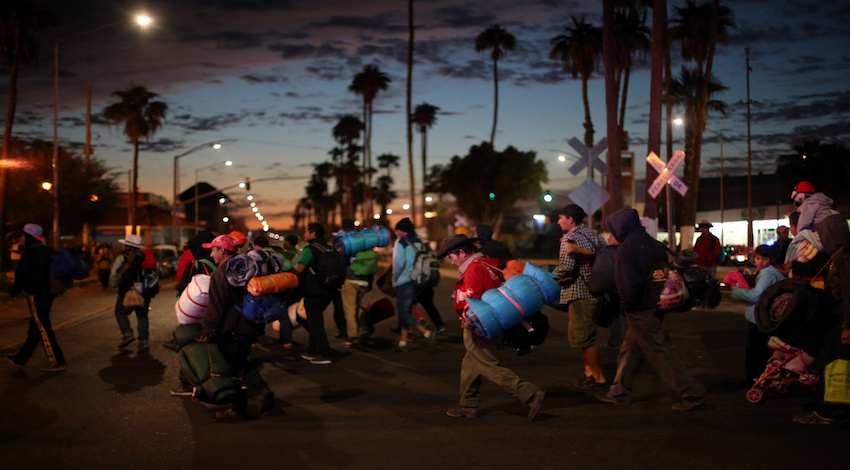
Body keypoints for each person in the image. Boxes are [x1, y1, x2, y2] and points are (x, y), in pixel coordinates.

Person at [597, 208, 707, 411]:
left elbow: (627, 284)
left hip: (639, 309)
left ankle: (692, 393)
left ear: (620, 227)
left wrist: (626, 306)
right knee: (629, 349)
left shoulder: (627, 248)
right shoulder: (652, 243)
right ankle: (618, 392)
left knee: (659, 353)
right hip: (656, 304)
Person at [436, 234, 544, 420]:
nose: (451, 262)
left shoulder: (473, 269)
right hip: (493, 322)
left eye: (451, 257)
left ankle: (529, 393)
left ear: (461, 253)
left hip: (478, 325)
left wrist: (468, 320)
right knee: (470, 364)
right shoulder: (487, 264)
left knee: (487, 366)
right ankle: (468, 404)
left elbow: (473, 299)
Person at [199, 235, 275, 419]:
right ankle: (248, 399)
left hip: (234, 328)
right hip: (252, 324)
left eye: (213, 249)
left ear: (223, 251)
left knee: (234, 366)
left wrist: (208, 330)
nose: (211, 254)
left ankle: (247, 401)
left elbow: (216, 305)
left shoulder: (222, 271)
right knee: (239, 362)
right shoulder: (248, 266)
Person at [794, 214, 850, 424]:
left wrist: (847, 325)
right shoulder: (839, 255)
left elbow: (847, 294)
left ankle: (828, 411)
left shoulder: (845, 258)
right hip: (839, 321)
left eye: (823, 233)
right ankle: (832, 406)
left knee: (829, 362)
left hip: (842, 322)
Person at [551, 204, 608, 391]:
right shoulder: (593, 234)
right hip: (597, 290)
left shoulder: (569, 237)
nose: (559, 221)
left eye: (561, 218)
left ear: (570, 220)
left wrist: (551, 275)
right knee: (584, 336)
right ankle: (589, 373)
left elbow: (567, 267)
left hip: (580, 292)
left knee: (584, 337)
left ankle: (598, 378)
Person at [5, 224, 66, 372]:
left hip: (37, 294)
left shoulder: (30, 252)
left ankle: (57, 361)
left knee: (43, 327)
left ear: (28, 236)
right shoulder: (47, 251)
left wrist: (14, 291)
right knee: (36, 328)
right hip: (48, 294)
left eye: (23, 235)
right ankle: (21, 359)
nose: (21, 238)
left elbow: (22, 275)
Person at [730, 244, 786, 382]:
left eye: (764, 259)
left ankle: (754, 378)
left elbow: (756, 295)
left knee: (755, 349)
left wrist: (736, 291)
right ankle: (761, 376)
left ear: (770, 259)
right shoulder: (769, 271)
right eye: (758, 258)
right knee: (760, 348)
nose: (760, 261)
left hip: (760, 316)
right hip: (764, 315)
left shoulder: (767, 272)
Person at [294, 222, 335, 365]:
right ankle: (312, 350)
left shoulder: (310, 249)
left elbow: (299, 269)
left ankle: (325, 353)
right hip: (328, 290)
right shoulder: (329, 248)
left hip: (314, 291)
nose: (305, 235)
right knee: (314, 320)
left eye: (306, 232)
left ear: (313, 234)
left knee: (315, 323)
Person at [392, 218, 434, 351]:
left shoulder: (401, 242)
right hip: (418, 281)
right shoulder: (419, 241)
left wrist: (394, 280)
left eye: (396, 230)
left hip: (405, 281)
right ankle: (403, 342)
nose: (396, 233)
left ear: (401, 231)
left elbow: (398, 264)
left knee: (403, 311)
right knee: (407, 309)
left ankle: (426, 333)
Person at [339, 218, 373, 347]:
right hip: (364, 279)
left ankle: (353, 336)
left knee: (350, 309)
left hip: (350, 279)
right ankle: (363, 329)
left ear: (343, 227)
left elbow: (341, 260)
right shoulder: (364, 240)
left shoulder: (347, 241)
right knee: (357, 306)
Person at [110, 234, 145, 349]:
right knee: (141, 313)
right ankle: (143, 340)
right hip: (139, 287)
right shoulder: (142, 257)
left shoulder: (122, 257)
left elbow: (114, 275)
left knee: (120, 312)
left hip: (126, 288)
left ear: (127, 246)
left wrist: (116, 286)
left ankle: (127, 333)